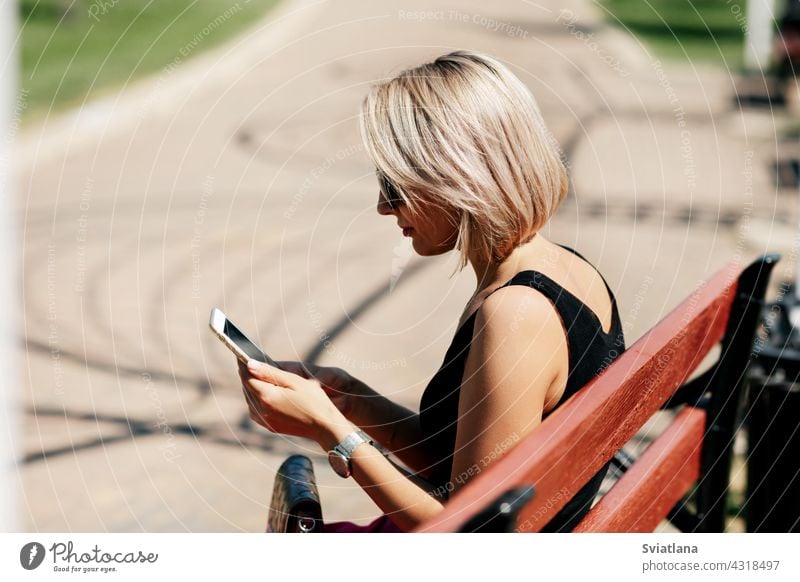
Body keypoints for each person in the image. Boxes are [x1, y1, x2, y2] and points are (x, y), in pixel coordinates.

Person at [238, 49, 626, 533]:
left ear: (460, 177)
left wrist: (332, 432)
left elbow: (466, 532)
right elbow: (462, 459)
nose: (383, 206)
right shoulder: (564, 269)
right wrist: (350, 400)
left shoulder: (517, 313)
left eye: (395, 183)